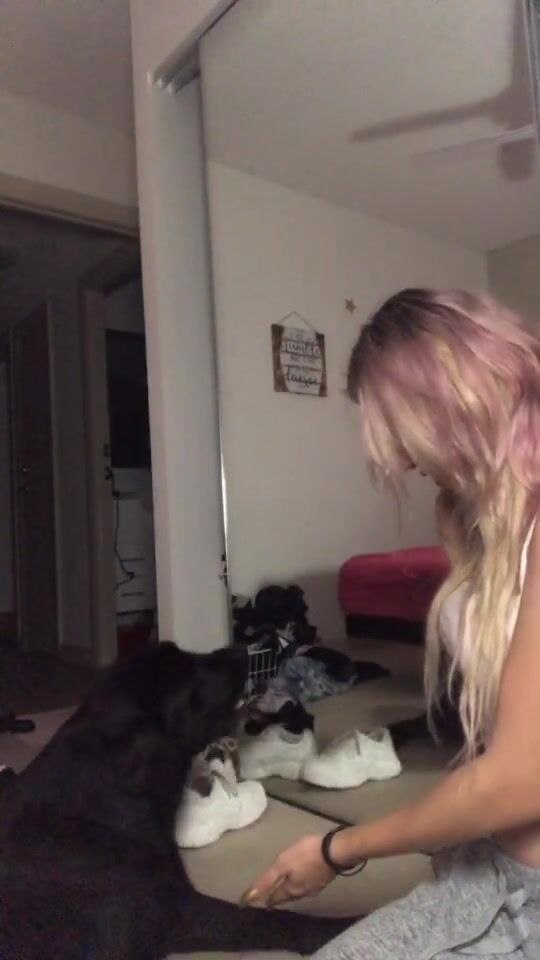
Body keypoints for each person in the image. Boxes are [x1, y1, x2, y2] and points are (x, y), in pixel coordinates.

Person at [243, 289, 540, 958]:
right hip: (486, 863)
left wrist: (337, 848)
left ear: (457, 395)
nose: (403, 460)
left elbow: (523, 776)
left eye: (402, 430)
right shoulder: (461, 511)